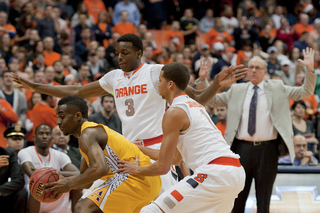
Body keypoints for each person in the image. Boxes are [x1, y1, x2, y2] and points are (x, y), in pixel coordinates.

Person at [12, 33, 247, 194]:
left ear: (139, 52)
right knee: (94, 198)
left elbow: (196, 97)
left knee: (159, 206)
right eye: (117, 53)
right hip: (126, 150)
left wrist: (216, 84)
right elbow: (78, 90)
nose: (120, 57)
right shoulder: (114, 77)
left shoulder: (157, 73)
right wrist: (36, 87)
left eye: (125, 52)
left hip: (156, 151)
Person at [117, 62, 245, 213]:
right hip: (235, 172)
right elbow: (175, 159)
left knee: (150, 211)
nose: (157, 84)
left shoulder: (174, 113)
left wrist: (136, 169)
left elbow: (162, 167)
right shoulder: (194, 105)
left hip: (214, 173)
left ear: (170, 84)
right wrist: (136, 147)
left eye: (160, 80)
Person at [210, 48, 317, 213]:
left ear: (265, 71)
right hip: (240, 149)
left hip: (268, 149)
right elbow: (214, 100)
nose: (253, 70)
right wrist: (205, 81)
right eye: (250, 67)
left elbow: (305, 91)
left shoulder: (277, 86)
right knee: (237, 198)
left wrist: (310, 70)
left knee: (263, 200)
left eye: (257, 67)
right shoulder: (236, 90)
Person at [42, 96, 161, 213]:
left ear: (77, 116)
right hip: (146, 180)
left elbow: (100, 168)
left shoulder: (88, 134)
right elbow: (87, 180)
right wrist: (58, 176)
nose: (58, 122)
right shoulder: (88, 135)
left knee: (83, 208)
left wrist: (68, 184)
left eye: (62, 116)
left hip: (135, 177)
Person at [18, 124, 80, 213]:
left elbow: (78, 174)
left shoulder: (60, 155)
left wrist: (50, 173)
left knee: (75, 185)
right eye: (41, 133)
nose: (44, 136)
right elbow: (33, 175)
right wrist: (53, 174)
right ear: (34, 137)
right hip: (35, 189)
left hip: (56, 185)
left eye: (47, 134)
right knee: (36, 186)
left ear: (51, 138)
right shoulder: (25, 152)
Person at [0, 145, 27, 213]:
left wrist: (1, 190)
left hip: (2, 193)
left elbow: (19, 180)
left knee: (21, 194)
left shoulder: (8, 153)